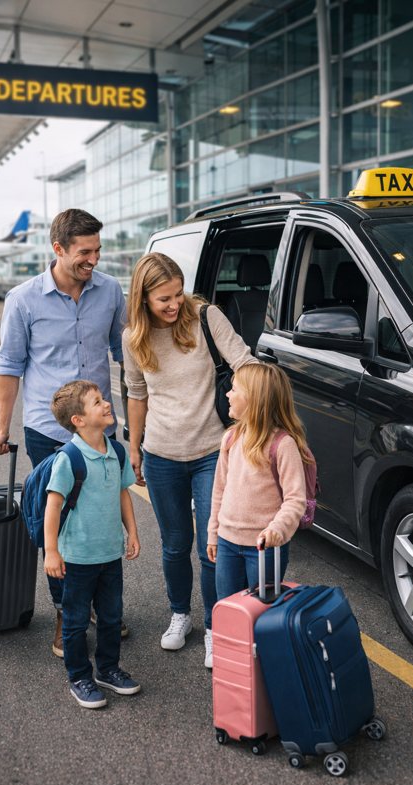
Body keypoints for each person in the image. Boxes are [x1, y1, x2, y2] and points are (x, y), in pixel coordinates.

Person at [0, 208, 129, 655]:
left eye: (98, 250)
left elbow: (126, 353)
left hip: (98, 433)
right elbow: (9, 367)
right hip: (48, 432)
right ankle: (67, 613)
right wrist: (1, 428)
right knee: (60, 523)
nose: (94, 260)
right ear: (59, 248)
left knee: (99, 520)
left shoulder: (110, 291)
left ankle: (98, 607)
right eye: (85, 252)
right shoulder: (23, 300)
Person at [122, 252, 257, 668]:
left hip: (212, 451)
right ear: (143, 299)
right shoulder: (133, 338)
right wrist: (134, 448)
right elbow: (137, 394)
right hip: (161, 454)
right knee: (175, 544)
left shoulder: (206, 317)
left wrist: (252, 418)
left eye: (178, 294)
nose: (174, 304)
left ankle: (217, 626)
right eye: (163, 298)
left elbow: (246, 364)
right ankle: (180, 613)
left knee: (211, 546)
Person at [43, 380, 141, 709]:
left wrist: (132, 532)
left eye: (102, 398)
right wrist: (52, 551)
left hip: (110, 553)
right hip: (77, 558)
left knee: (112, 617)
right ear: (79, 420)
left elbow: (122, 493)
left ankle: (108, 669)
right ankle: (80, 676)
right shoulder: (69, 458)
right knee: (75, 621)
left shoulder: (116, 451)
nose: (106, 403)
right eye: (97, 401)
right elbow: (53, 506)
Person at [207, 363, 310, 624]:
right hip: (227, 542)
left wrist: (278, 529)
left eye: (234, 389)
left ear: (254, 400)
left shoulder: (282, 445)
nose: (227, 394)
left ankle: (260, 653)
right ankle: (229, 650)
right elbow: (219, 489)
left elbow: (295, 499)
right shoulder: (231, 438)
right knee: (228, 611)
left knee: (261, 618)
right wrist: (213, 533)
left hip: (264, 548)